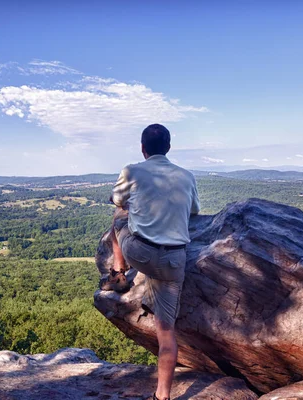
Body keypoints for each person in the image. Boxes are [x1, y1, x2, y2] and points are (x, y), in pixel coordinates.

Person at [110, 123, 201, 400]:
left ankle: (118, 273)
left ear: (142, 148)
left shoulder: (132, 170)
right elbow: (194, 211)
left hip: (140, 253)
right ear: (169, 148)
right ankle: (162, 396)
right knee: (166, 332)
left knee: (117, 220)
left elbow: (117, 201)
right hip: (174, 260)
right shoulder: (186, 176)